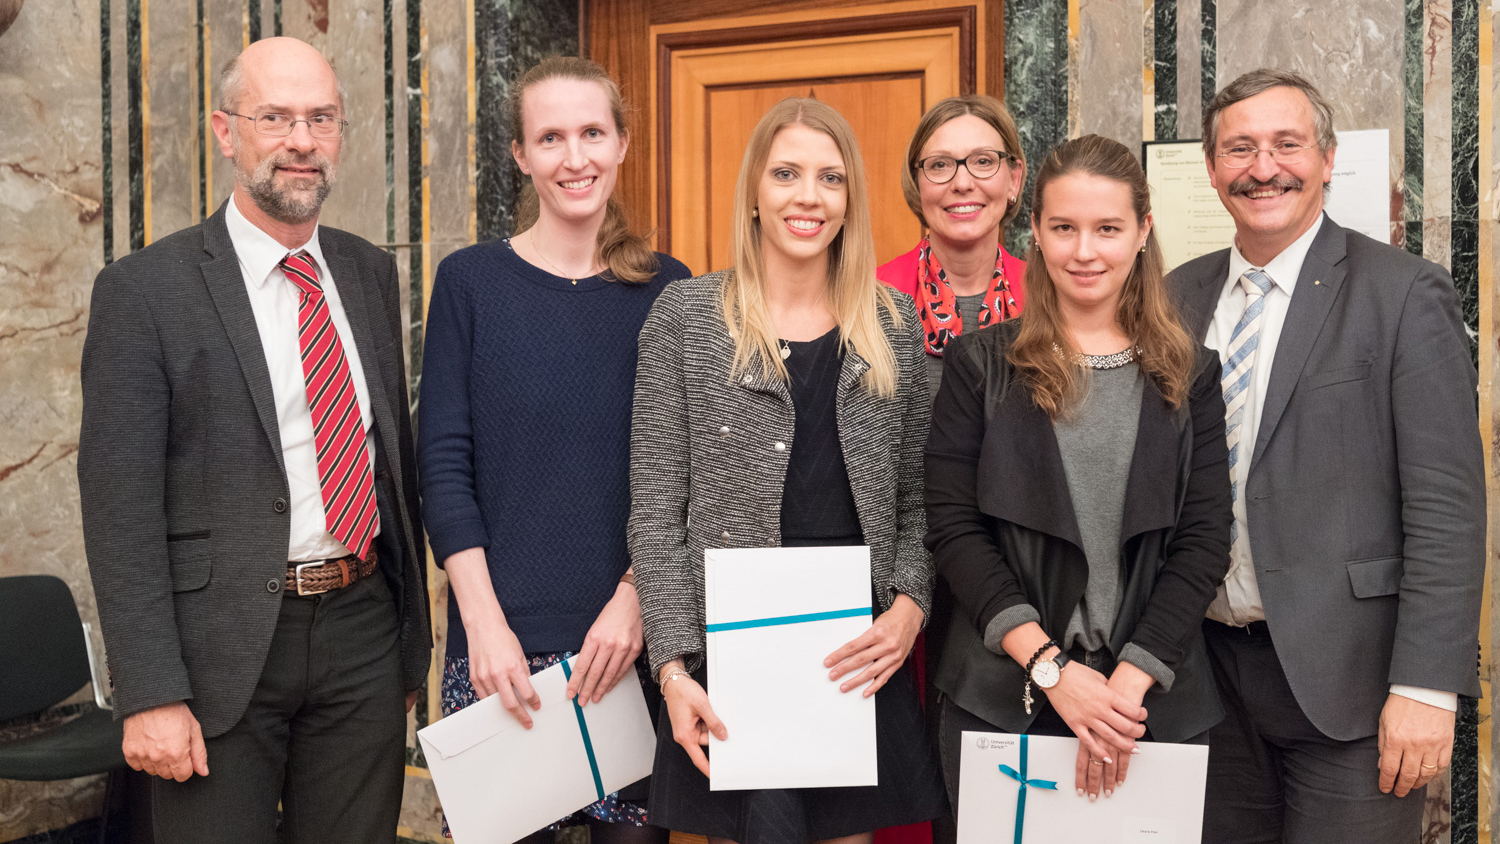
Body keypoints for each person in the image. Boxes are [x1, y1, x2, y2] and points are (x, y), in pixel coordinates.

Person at [77, 37, 428, 843]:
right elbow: (118, 510)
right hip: (216, 654)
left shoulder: (369, 272)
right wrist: (150, 692)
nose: (300, 141)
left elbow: (392, 463)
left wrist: (408, 642)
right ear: (226, 131)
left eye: (321, 118)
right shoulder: (144, 291)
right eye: (274, 117)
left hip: (362, 630)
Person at [1167, 68, 1484, 843]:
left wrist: (1426, 687)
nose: (1263, 167)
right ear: (1212, 170)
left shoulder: (1404, 294)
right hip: (1204, 682)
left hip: (1352, 689)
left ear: (1327, 159)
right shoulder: (1175, 296)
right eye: (1239, 148)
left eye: (1286, 144)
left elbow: (1447, 506)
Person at [629, 97, 947, 844]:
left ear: (850, 201)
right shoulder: (686, 318)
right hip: (732, 655)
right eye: (787, 173)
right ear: (754, 192)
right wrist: (673, 670)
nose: (809, 196)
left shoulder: (892, 323)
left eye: (830, 178)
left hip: (854, 654)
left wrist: (908, 608)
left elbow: (917, 503)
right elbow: (654, 511)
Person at [418, 56, 690, 844]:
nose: (575, 158)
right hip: (500, 650)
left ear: (622, 143)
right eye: (551, 137)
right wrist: (485, 629)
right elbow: (443, 464)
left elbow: (685, 476)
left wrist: (636, 602)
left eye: (592, 133)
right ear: (521, 154)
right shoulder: (469, 284)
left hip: (630, 646)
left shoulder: (671, 291)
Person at [925, 134, 1232, 807]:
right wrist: (1051, 669)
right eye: (1063, 227)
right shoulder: (979, 366)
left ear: (1143, 231)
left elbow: (1204, 542)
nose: (1084, 250)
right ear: (1033, 230)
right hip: (1002, 698)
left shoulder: (1193, 374)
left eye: (1108, 228)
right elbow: (953, 529)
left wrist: (1126, 685)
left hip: (1147, 710)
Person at [878, 94, 1028, 402]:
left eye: (983, 161)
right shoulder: (872, 297)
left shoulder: (1049, 295)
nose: (962, 183)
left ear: (1014, 179)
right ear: (917, 182)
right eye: (940, 165)